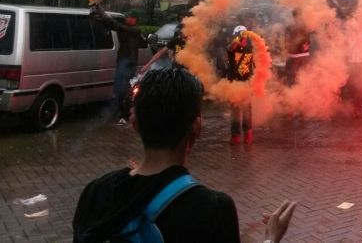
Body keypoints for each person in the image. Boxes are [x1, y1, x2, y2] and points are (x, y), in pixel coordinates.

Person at [73, 68, 295, 243]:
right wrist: (271, 238)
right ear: (197, 127)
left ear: (134, 123)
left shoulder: (95, 193)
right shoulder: (213, 210)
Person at [89, 3, 144, 125]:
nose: (127, 18)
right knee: (119, 89)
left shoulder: (135, 30)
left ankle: (125, 115)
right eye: (127, 16)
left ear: (134, 19)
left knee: (125, 90)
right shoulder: (124, 28)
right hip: (122, 61)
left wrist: (102, 12)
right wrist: (100, 17)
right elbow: (112, 25)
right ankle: (120, 113)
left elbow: (116, 25)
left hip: (129, 63)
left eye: (129, 17)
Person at [228, 25, 255, 145]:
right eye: (238, 36)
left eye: (243, 36)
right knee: (235, 109)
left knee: (246, 109)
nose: (241, 38)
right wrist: (238, 40)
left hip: (246, 82)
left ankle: (248, 133)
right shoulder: (233, 46)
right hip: (234, 82)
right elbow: (230, 48)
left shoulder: (250, 46)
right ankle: (236, 135)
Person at [285, 10, 311, 86]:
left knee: (292, 78)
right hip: (305, 56)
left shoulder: (290, 28)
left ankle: (293, 91)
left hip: (295, 57)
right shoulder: (307, 27)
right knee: (304, 76)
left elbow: (287, 44)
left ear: (293, 16)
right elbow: (309, 42)